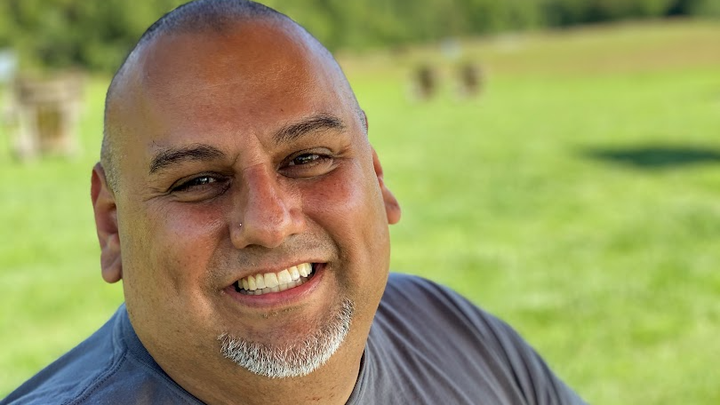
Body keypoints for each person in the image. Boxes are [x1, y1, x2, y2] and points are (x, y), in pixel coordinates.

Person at [1, 1, 587, 404]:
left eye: (309, 158)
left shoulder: (452, 332)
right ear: (111, 228)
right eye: (198, 180)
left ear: (376, 176)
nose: (269, 222)